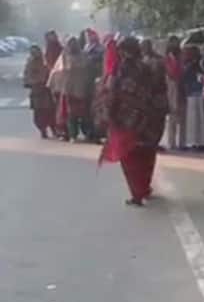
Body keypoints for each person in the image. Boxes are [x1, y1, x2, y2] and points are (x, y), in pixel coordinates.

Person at [99, 37, 168, 206]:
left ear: (123, 51)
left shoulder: (122, 69)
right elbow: (161, 93)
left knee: (130, 159)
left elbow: (113, 93)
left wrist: (108, 115)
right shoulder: (151, 67)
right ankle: (144, 188)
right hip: (150, 121)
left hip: (127, 122)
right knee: (146, 156)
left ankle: (137, 194)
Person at [61, 36, 92, 142]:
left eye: (74, 43)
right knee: (71, 114)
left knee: (85, 113)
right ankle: (73, 134)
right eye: (70, 43)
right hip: (70, 88)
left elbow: (86, 65)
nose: (73, 46)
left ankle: (87, 133)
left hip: (82, 88)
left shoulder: (84, 54)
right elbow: (65, 68)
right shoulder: (65, 55)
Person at [23, 45, 55, 138]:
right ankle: (43, 130)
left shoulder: (45, 61)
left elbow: (50, 72)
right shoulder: (29, 63)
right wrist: (31, 82)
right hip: (37, 91)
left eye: (37, 51)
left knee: (50, 111)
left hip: (46, 90)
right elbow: (27, 77)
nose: (36, 54)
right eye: (33, 52)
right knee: (39, 113)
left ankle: (53, 129)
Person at [182, 45, 204, 149]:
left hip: (198, 91)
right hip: (192, 93)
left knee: (199, 117)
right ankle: (193, 142)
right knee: (193, 118)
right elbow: (185, 78)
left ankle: (200, 142)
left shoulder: (199, 63)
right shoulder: (188, 64)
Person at [164, 35, 187, 151]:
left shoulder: (182, 56)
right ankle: (171, 142)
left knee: (183, 116)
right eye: (172, 42)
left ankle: (182, 143)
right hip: (171, 86)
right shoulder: (166, 58)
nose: (174, 45)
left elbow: (183, 70)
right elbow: (169, 72)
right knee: (172, 116)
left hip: (182, 87)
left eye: (176, 42)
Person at [44, 31, 68, 140]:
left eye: (53, 37)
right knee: (53, 107)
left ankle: (63, 129)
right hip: (52, 81)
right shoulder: (48, 50)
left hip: (61, 80)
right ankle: (56, 128)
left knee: (61, 106)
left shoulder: (60, 49)